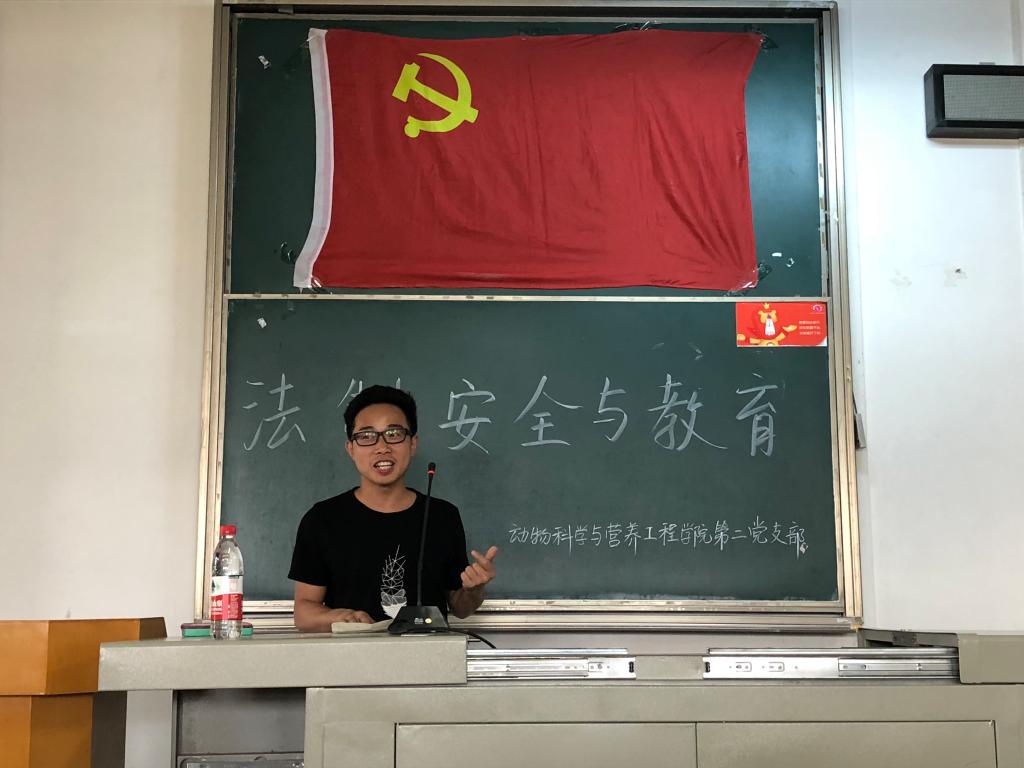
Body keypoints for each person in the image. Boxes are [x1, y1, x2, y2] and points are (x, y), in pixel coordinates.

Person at [288, 385, 498, 632]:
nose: (382, 447)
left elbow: (461, 608)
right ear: (351, 449)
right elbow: (304, 612)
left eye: (394, 433)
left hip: (428, 654)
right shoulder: (322, 519)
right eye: (367, 436)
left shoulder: (443, 516)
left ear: (413, 444)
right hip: (350, 654)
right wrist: (339, 616)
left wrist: (474, 590)